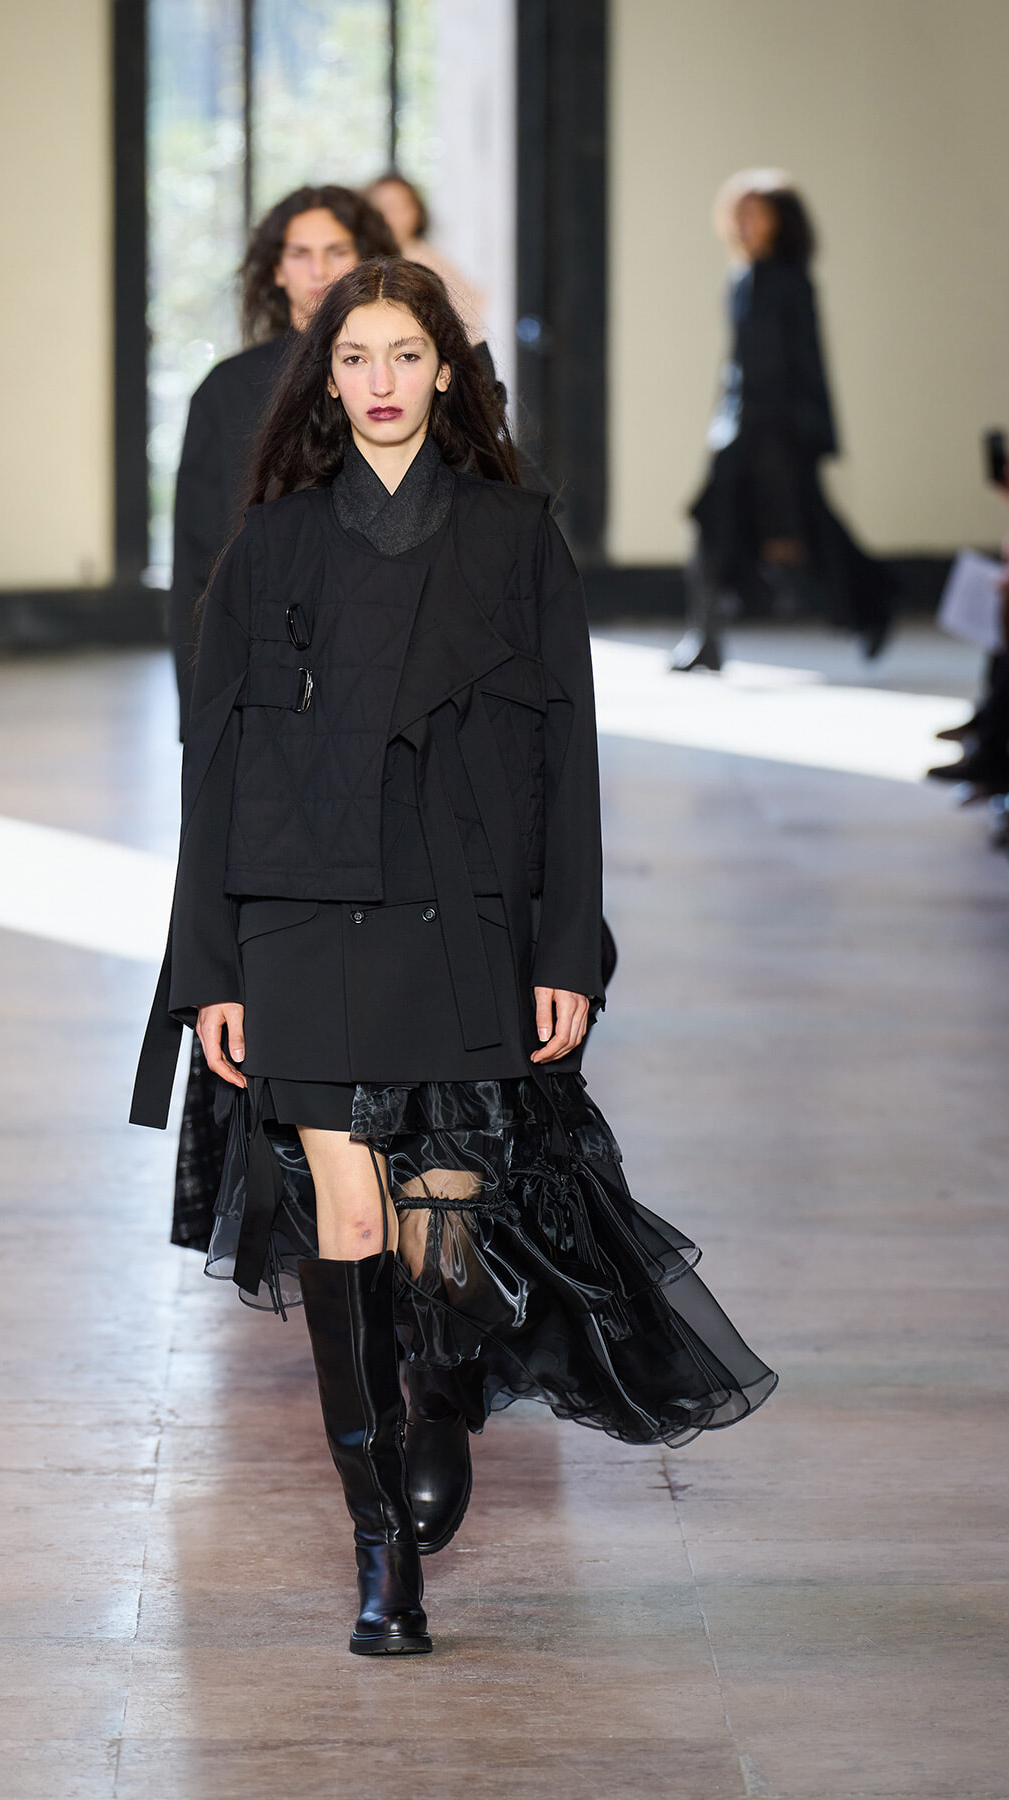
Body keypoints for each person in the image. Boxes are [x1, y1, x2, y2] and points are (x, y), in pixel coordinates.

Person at [132, 259, 776, 1659]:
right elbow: (214, 769)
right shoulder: (272, 546)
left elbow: (568, 760)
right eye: (354, 357)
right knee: (348, 1216)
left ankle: (436, 1388)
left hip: (462, 913)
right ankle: (381, 1555)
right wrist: (209, 970)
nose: (381, 381)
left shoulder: (514, 538)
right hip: (302, 918)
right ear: (326, 380)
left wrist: (567, 949)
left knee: (445, 1220)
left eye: (405, 355)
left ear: (446, 373)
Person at [169, 185, 396, 737]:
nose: (318, 269)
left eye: (336, 251)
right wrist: (200, 712)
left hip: (389, 656)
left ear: (368, 261)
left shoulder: (401, 383)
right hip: (268, 672)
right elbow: (198, 563)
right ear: (275, 269)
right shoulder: (226, 392)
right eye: (300, 253)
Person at [672, 170, 896, 673]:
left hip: (781, 432)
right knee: (711, 520)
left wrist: (807, 432)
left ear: (780, 221)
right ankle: (706, 634)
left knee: (813, 531)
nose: (744, 224)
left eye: (754, 214)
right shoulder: (740, 277)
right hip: (742, 428)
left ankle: (876, 596)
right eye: (738, 214)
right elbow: (737, 364)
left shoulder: (789, 279)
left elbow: (804, 362)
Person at [367, 170, 486, 343]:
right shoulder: (368, 257)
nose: (391, 216)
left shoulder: (424, 258)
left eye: (401, 207)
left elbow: (472, 303)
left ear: (417, 212)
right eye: (383, 208)